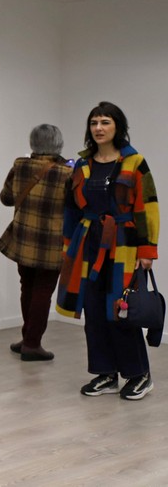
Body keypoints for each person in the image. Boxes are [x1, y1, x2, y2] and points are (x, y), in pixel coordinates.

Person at [56, 102, 159, 401]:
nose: (98, 128)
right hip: (87, 245)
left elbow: (147, 207)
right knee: (93, 311)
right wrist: (67, 247)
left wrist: (147, 250)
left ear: (117, 127)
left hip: (124, 245)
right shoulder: (81, 165)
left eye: (105, 122)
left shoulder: (135, 162)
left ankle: (139, 375)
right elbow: (71, 210)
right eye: (94, 123)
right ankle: (106, 373)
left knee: (121, 310)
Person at [0, 124, 73, 361]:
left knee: (27, 287)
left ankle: (27, 338)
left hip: (24, 239)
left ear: (33, 143)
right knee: (43, 291)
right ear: (59, 144)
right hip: (52, 243)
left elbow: (6, 198)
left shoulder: (20, 165)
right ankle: (32, 343)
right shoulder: (68, 173)